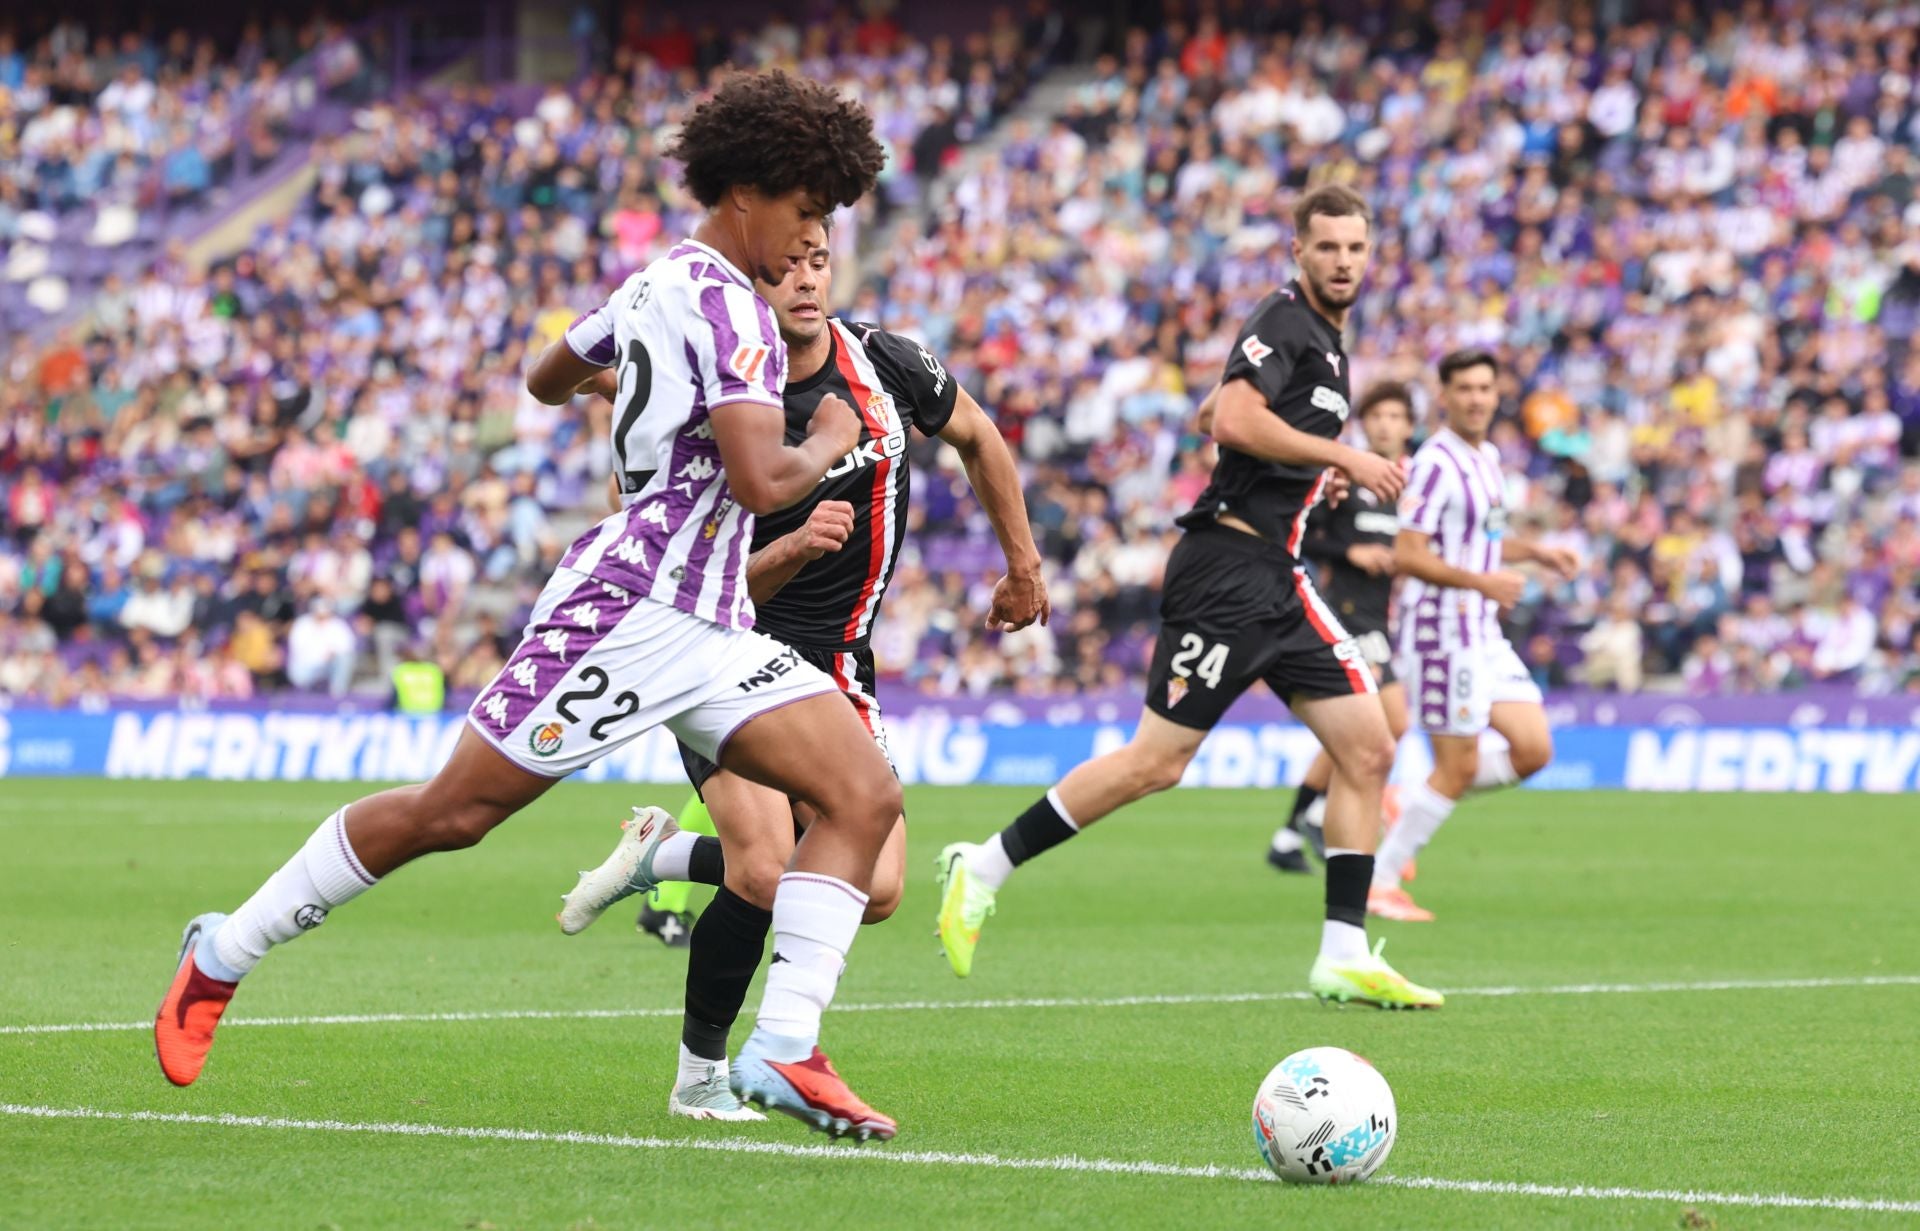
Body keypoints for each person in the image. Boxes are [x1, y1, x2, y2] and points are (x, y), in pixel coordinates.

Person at [154, 71, 906, 1141]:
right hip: (627, 611)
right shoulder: (736, 308)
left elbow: (549, 373)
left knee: (862, 797)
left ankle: (783, 1048)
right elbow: (760, 483)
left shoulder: (655, 286)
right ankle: (221, 953)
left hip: (709, 624)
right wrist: (828, 441)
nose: (809, 239)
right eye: (804, 211)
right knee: (449, 815)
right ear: (749, 190)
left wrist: (629, 388)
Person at [553, 238, 1049, 1119]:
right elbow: (673, 582)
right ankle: (701, 1076)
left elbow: (979, 436)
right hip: (721, 650)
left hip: (840, 665)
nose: (806, 278)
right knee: (761, 864)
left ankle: (657, 855)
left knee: (883, 890)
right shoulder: (713, 402)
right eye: (784, 265)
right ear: (748, 283)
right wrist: (785, 549)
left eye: (818, 259)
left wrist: (1023, 563)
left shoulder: (887, 361)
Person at [932, 185, 1444, 1009]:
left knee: (1369, 746)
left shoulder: (1323, 342)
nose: (1343, 261)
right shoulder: (1283, 319)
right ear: (1298, 251)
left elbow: (1216, 404)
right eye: (1328, 247)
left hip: (1279, 576)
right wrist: (1340, 458)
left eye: (1355, 247)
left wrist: (1312, 467)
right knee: (1155, 763)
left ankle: (1342, 951)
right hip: (1228, 573)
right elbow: (1233, 422)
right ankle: (982, 863)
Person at [1371, 349, 1580, 922]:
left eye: (1485, 387)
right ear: (1445, 396)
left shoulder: (1486, 457)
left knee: (1533, 749)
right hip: (1440, 631)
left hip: (1480, 628)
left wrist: (1535, 551)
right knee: (1458, 766)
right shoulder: (1435, 463)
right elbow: (1408, 554)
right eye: (1464, 388)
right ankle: (1381, 880)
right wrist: (1481, 582)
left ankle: (1409, 801)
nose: (1476, 398)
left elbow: (1481, 540)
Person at [1268, 382, 1416, 873]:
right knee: (1389, 724)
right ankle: (1321, 821)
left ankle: (1293, 831)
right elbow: (1308, 534)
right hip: (1347, 611)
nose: (1385, 424)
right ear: (1365, 424)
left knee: (1365, 731)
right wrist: (1350, 552)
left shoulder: (1409, 488)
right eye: (1377, 416)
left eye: (1396, 417)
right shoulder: (1346, 479)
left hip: (1381, 616)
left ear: (1408, 427)